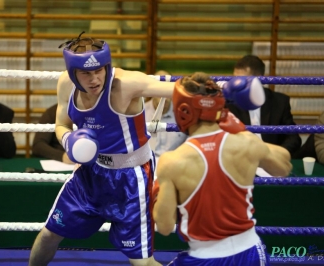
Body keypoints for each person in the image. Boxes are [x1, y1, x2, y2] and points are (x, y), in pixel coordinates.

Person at [28, 33, 266, 266]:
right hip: (90, 174)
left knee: (141, 261)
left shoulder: (126, 84)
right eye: (86, 73)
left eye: (99, 70)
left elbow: (180, 91)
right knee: (49, 234)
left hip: (132, 178)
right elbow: (61, 124)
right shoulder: (65, 85)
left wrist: (227, 89)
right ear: (73, 73)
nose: (94, 79)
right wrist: (68, 140)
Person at [153, 72, 292, 266]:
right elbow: (283, 168)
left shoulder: (173, 162)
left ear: (182, 110)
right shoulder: (246, 143)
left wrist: (159, 199)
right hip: (251, 252)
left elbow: (165, 226)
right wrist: (242, 131)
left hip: (204, 257)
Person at [226, 55, 302, 156]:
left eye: (242, 80)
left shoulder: (279, 102)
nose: (237, 85)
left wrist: (276, 155)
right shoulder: (229, 102)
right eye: (235, 80)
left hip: (271, 159)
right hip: (241, 159)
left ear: (259, 79)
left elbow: (293, 138)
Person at [145, 70, 187, 157]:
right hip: (147, 165)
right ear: (151, 91)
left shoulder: (184, 115)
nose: (164, 95)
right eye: (160, 89)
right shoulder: (140, 113)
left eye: (167, 89)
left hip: (176, 165)